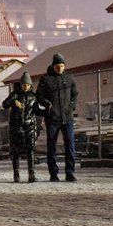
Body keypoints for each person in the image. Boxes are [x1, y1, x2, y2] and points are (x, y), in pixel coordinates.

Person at [36, 53, 79, 182]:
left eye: (62, 66)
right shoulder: (46, 79)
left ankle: (70, 173)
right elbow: (39, 95)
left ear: (64, 66)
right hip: (53, 118)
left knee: (70, 146)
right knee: (52, 146)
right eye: (57, 66)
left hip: (67, 118)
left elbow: (75, 95)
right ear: (53, 66)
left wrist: (71, 107)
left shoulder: (70, 78)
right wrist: (47, 105)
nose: (60, 68)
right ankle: (53, 174)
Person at [2, 72, 51, 183]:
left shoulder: (33, 96)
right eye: (24, 84)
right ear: (20, 84)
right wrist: (14, 101)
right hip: (16, 127)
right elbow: (4, 105)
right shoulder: (15, 94)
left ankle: (31, 174)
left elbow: (37, 111)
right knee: (15, 152)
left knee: (31, 151)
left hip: (29, 127)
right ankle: (16, 174)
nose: (26, 86)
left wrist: (47, 111)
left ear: (30, 85)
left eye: (28, 85)